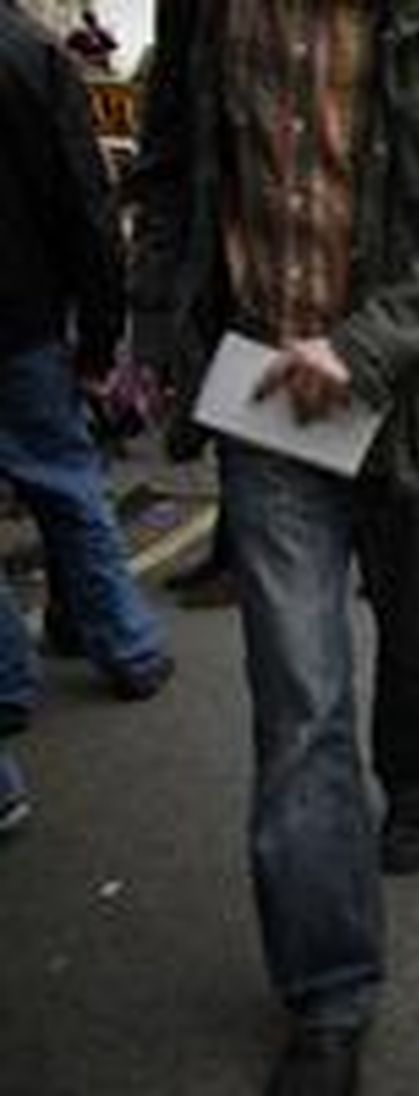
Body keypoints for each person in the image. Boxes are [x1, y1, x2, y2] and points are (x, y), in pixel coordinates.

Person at [129, 1, 419, 1091]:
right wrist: (159, 328)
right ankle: (328, 995)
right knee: (299, 703)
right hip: (265, 397)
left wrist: (361, 349)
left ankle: (413, 775)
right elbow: (173, 172)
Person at [1, 0, 172, 744]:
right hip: (23, 315)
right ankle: (127, 646)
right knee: (69, 484)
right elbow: (84, 202)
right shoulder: (31, 54)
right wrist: (101, 339)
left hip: (24, 311)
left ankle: (7, 682)